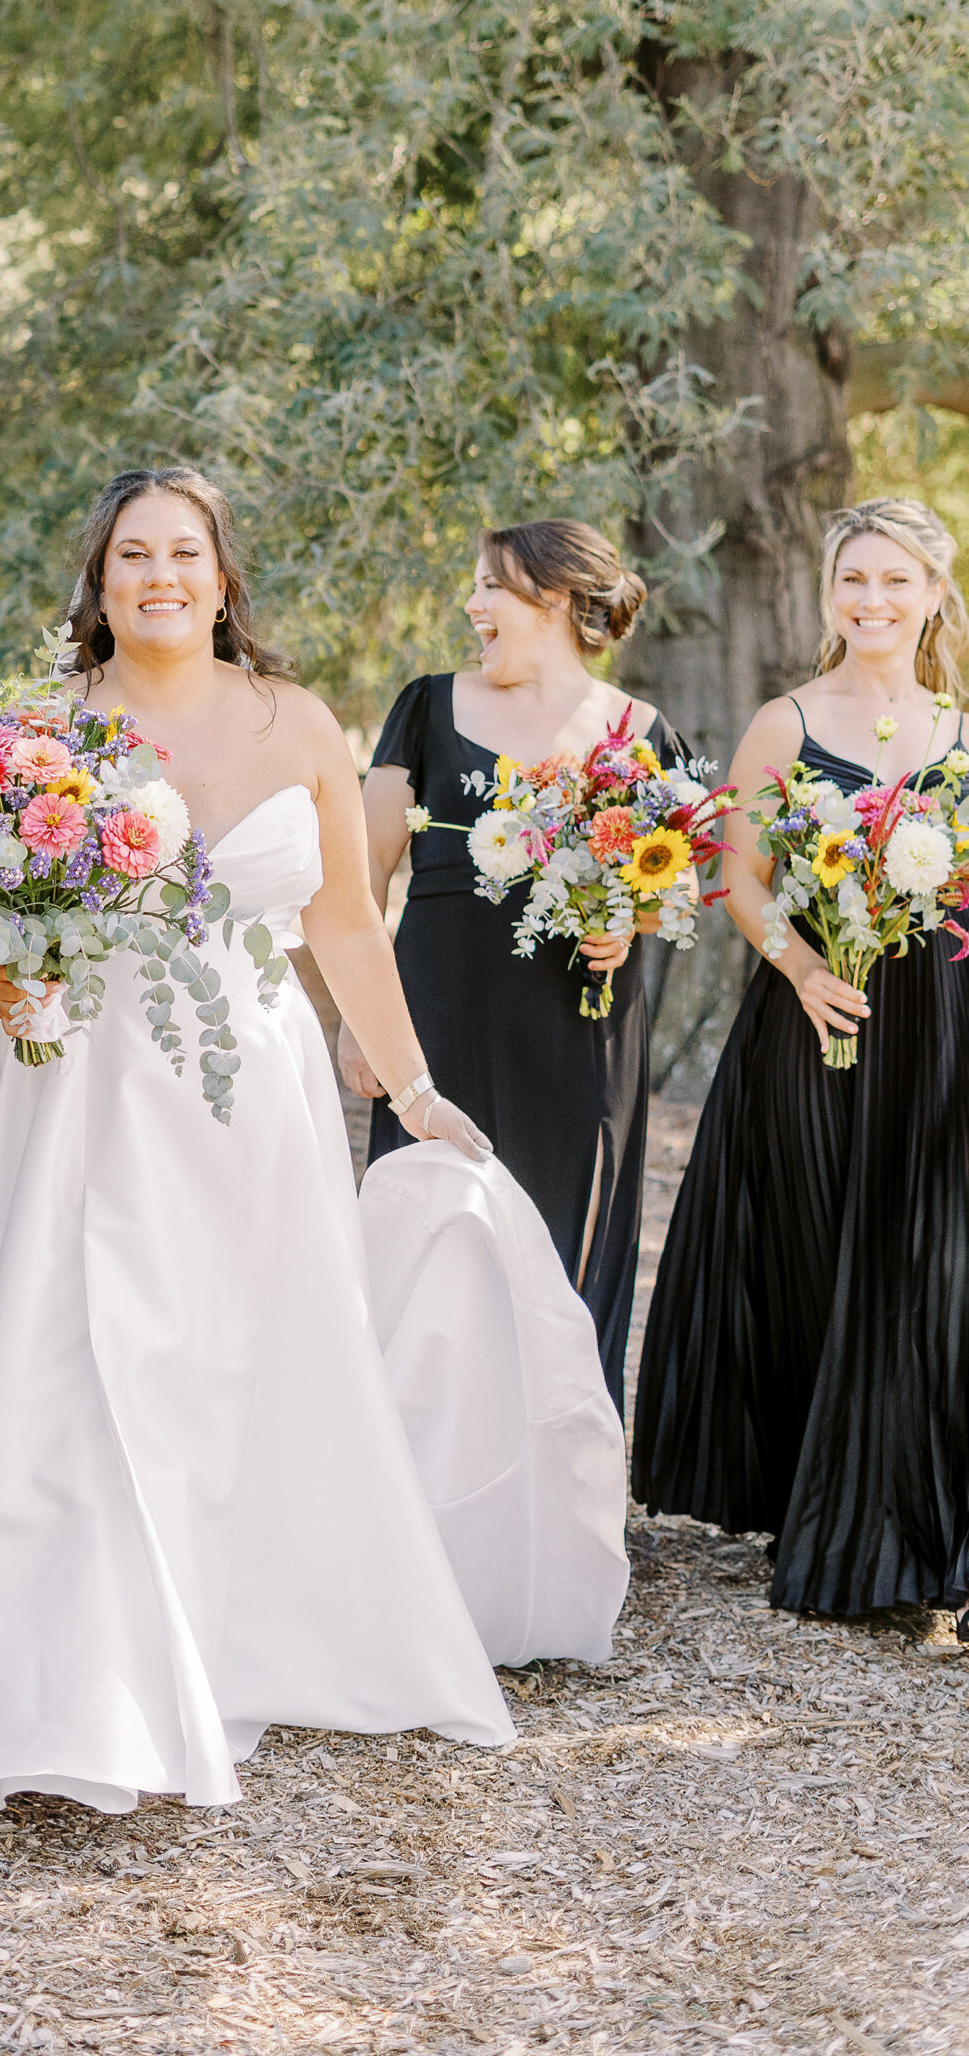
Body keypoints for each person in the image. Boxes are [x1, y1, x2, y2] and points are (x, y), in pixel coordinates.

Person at [0, 468, 630, 1815]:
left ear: (223, 575)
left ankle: (227, 1624)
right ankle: (74, 1672)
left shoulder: (297, 721)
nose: (158, 576)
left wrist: (410, 1089)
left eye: (183, 552)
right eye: (131, 554)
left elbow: (346, 921)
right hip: (79, 1071)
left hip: (249, 1085)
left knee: (234, 1348)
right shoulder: (39, 730)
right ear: (98, 579)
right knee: (75, 1343)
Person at [633, 498, 969, 1630]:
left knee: (919, 1260)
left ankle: (907, 1520)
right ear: (829, 596)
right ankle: (816, 1496)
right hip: (814, 1011)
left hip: (936, 1026)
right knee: (818, 1241)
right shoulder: (785, 721)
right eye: (852, 581)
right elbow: (737, 875)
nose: (871, 601)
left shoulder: (962, 731)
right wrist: (798, 967)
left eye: (893, 580)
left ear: (933, 591)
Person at [338, 521, 686, 1406]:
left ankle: (561, 1486)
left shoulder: (641, 731)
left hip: (580, 1033)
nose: (472, 604)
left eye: (490, 585)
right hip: (437, 1021)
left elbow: (670, 885)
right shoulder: (424, 707)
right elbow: (360, 875)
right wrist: (356, 1018)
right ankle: (421, 1489)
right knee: (432, 1237)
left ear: (555, 599)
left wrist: (630, 919)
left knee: (566, 1245)